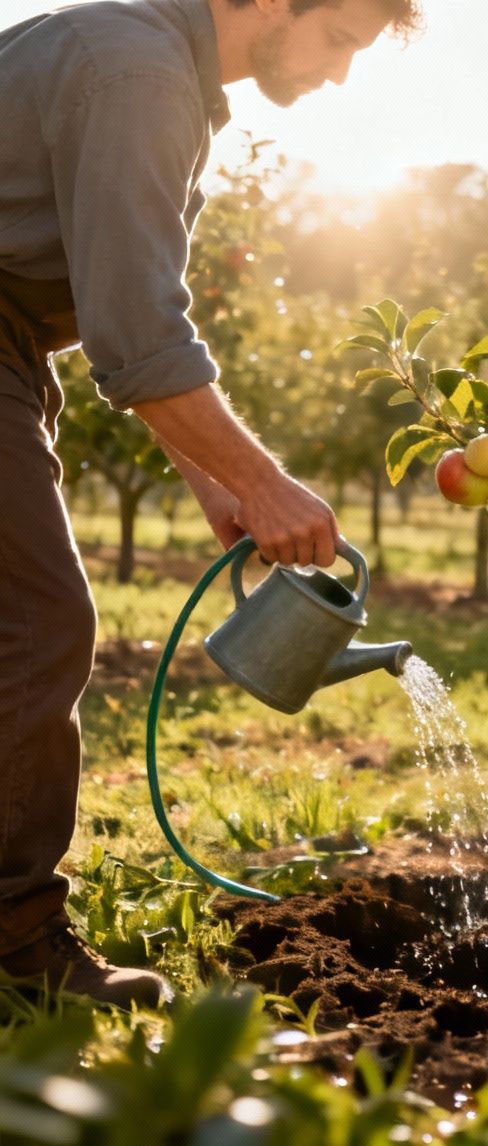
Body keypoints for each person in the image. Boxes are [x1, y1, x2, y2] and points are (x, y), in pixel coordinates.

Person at [0, 0, 422, 1007]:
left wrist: (213, 475)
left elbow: (123, 310)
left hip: (12, 343)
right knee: (36, 623)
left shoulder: (154, 68)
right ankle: (13, 946)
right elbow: (139, 335)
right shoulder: (135, 74)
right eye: (339, 41)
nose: (339, 75)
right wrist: (264, 483)